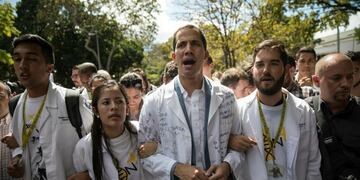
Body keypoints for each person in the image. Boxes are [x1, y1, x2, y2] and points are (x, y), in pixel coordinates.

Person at [138, 25, 242, 180]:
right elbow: (143, 153)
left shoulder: (226, 97)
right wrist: (175, 168)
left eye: (195, 44)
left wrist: (227, 165)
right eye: (181, 45)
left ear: (205, 54)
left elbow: (239, 146)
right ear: (174, 57)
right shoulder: (154, 101)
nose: (188, 49)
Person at [7, 34, 92, 179]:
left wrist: (89, 174)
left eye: (31, 59)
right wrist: (17, 159)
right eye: (17, 59)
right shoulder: (15, 104)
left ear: (49, 67)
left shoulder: (72, 100)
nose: (22, 65)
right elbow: (20, 144)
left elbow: (100, 141)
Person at [235, 39, 321, 179]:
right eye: (260, 64)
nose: (266, 70)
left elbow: (313, 165)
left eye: (273, 64)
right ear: (253, 70)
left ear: (286, 70)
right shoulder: (238, 110)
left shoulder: (304, 111)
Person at [71, 81, 144, 180]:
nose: (114, 107)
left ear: (127, 109)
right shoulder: (84, 147)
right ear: (95, 111)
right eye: (106, 103)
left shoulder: (142, 133)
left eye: (119, 101)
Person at [306, 53, 360, 180]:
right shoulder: (303, 112)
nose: (345, 84)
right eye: (336, 78)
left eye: (350, 77)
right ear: (316, 81)